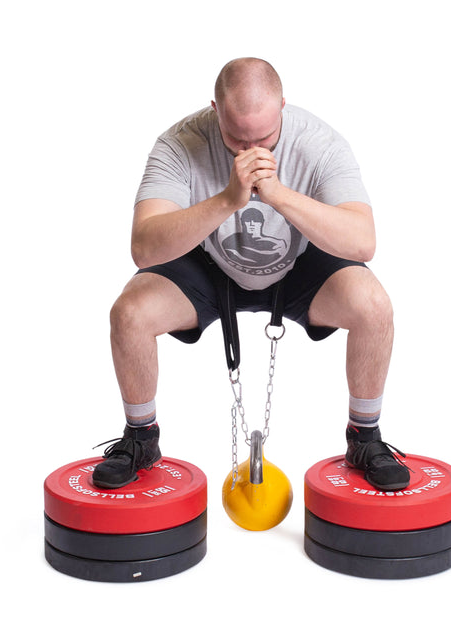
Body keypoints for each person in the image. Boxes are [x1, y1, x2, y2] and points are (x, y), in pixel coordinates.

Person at [92, 57, 410, 492]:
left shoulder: (319, 143)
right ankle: (141, 438)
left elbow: (363, 242)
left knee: (373, 305)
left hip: (299, 264)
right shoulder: (178, 143)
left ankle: (365, 438)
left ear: (283, 105)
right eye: (236, 139)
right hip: (207, 266)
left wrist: (277, 194)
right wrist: (227, 199)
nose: (250, 151)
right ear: (214, 109)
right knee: (129, 312)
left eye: (263, 137)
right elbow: (143, 248)